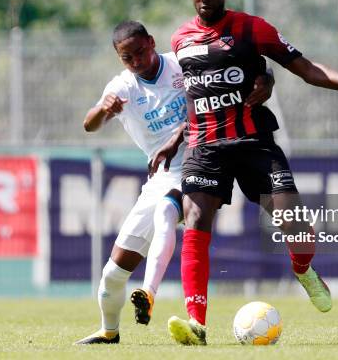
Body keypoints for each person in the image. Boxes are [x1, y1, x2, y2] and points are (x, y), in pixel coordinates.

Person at [149, 0, 338, 346]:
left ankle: (303, 270)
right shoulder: (180, 39)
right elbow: (194, 94)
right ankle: (197, 322)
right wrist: (177, 137)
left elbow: (304, 67)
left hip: (255, 143)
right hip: (205, 147)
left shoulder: (253, 29)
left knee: (296, 227)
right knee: (196, 217)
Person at [75, 20, 276, 344]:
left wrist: (266, 77)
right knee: (112, 275)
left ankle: (149, 292)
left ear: (152, 43)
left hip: (202, 161)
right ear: (120, 60)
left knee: (165, 214)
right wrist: (102, 108)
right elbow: (89, 124)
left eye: (140, 52)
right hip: (162, 176)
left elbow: (221, 87)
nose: (136, 61)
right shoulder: (123, 87)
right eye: (128, 58)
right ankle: (109, 332)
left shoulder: (180, 66)